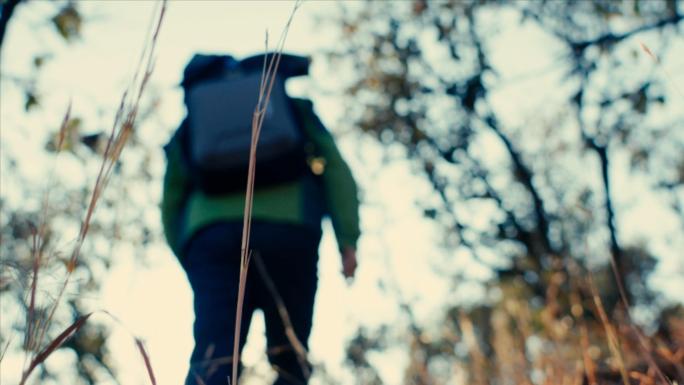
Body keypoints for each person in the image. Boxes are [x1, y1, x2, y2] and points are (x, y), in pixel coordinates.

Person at [161, 53, 360, 385]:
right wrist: (348, 239)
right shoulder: (294, 110)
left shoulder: (191, 126)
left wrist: (190, 257)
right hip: (290, 230)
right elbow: (336, 169)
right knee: (290, 356)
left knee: (214, 355)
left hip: (213, 239)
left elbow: (171, 199)